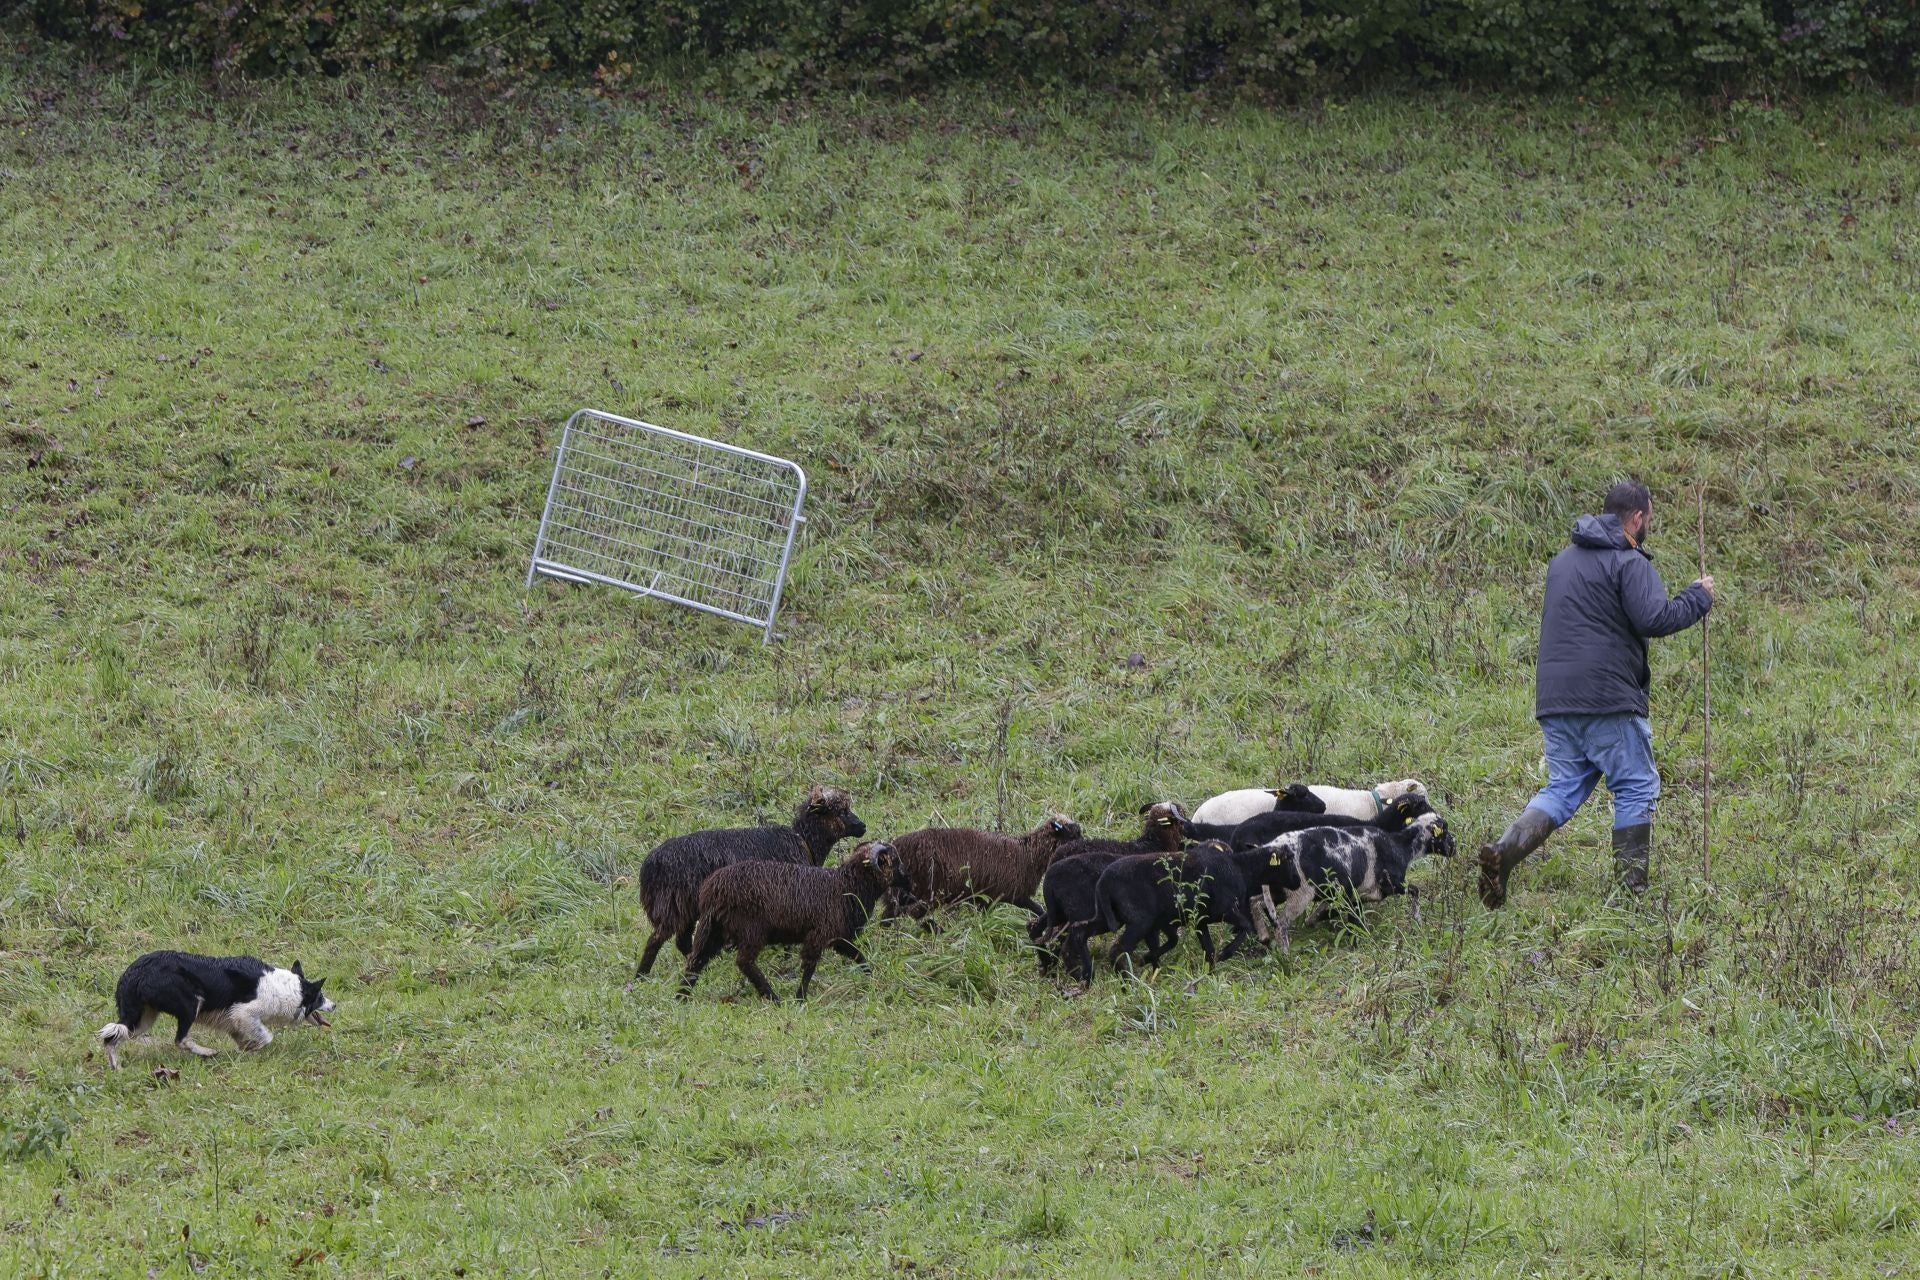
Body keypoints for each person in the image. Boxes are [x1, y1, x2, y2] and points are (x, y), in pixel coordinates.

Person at [1479, 481, 1715, 907]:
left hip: (1554, 699)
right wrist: (1697, 598)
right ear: (1638, 517)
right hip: (1608, 699)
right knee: (1636, 786)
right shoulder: (1629, 562)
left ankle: (1504, 852)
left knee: (1562, 787)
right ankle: (1630, 890)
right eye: (1650, 519)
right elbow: (1654, 618)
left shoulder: (1562, 562)